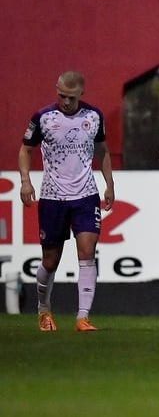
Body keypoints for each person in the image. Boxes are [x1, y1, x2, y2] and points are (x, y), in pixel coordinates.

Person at [19, 70, 114, 332]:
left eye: (70, 97)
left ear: (81, 94)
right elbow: (25, 150)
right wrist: (25, 181)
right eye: (61, 95)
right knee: (50, 260)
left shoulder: (93, 117)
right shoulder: (43, 117)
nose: (64, 101)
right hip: (53, 196)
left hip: (85, 195)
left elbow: (103, 151)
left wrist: (109, 184)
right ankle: (43, 309)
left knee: (87, 252)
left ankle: (82, 317)